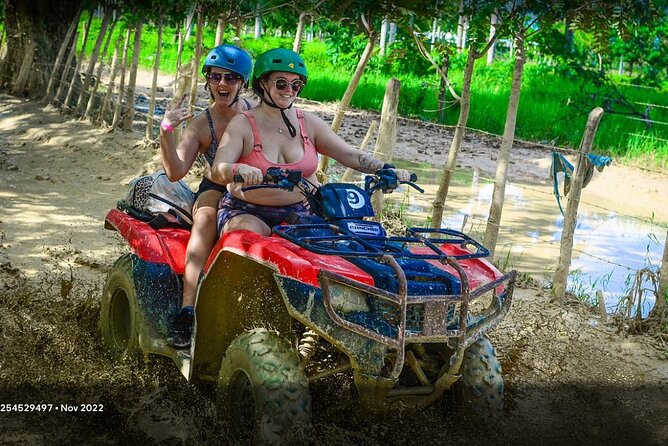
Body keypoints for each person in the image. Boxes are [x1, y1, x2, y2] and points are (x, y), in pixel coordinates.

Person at [210, 48, 410, 236]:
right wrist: (237, 170)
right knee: (249, 241)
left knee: (335, 248)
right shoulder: (242, 124)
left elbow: (349, 154)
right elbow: (217, 170)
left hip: (301, 210)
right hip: (246, 211)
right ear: (263, 83)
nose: (289, 90)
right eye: (281, 83)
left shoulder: (309, 123)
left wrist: (384, 168)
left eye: (296, 85)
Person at [159, 44, 255, 348]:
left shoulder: (258, 112)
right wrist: (166, 129)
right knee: (204, 221)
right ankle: (187, 311)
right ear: (208, 81)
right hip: (215, 185)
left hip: (260, 185)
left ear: (243, 83)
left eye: (231, 78)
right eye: (216, 77)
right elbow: (175, 172)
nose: (222, 84)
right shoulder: (201, 124)